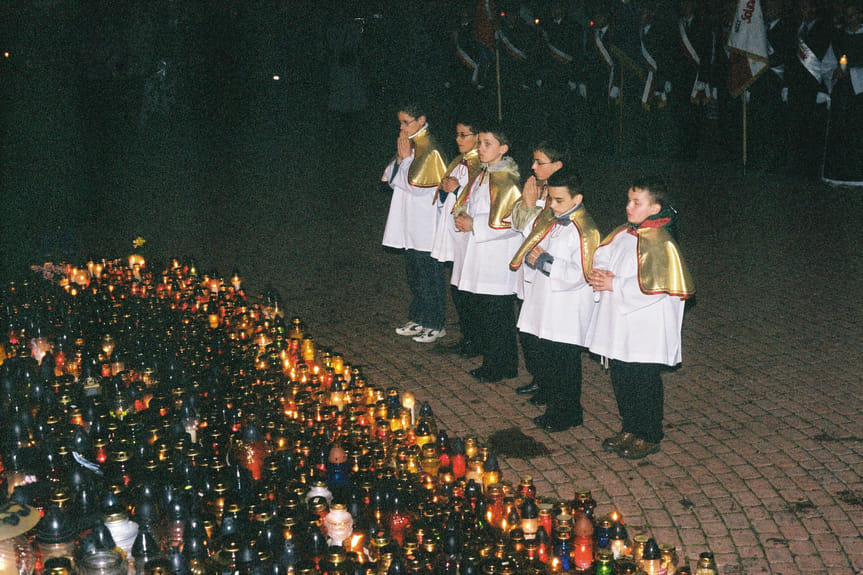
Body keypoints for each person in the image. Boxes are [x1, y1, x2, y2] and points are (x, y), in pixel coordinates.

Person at [587, 179, 695, 459]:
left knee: (643, 381)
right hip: (620, 324)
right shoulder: (625, 233)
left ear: (655, 208)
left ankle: (649, 434)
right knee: (622, 377)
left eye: (637, 203)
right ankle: (629, 427)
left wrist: (616, 285)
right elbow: (604, 253)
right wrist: (600, 272)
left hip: (645, 328)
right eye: (628, 200)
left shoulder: (661, 242)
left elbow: (654, 289)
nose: (628, 207)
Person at [509, 168, 601, 432]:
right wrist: (532, 256)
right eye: (550, 199)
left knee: (565, 363)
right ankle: (554, 404)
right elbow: (533, 242)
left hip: (568, 307)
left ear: (577, 199)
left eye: (559, 200)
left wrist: (546, 262)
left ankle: (568, 412)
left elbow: (581, 273)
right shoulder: (552, 219)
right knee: (548, 356)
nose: (552, 205)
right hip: (545, 300)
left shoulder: (584, 230)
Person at [451, 122, 523, 383]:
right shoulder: (483, 174)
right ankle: (495, 361)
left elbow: (512, 222)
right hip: (480, 253)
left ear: (503, 149)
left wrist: (475, 224)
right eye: (479, 142)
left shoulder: (507, 180)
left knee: (497, 314)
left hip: (496, 257)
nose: (480, 148)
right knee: (486, 311)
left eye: (487, 144)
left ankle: (502, 364)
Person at [382, 104, 449, 343]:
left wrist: (404, 160)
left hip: (426, 223)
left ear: (421, 120)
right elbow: (390, 178)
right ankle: (419, 317)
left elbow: (417, 186)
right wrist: (401, 160)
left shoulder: (430, 149)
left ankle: (435, 322)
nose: (402, 127)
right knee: (415, 274)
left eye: (406, 122)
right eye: (400, 122)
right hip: (409, 222)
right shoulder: (411, 143)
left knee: (429, 275)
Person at [510, 140, 566, 404]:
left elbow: (540, 234)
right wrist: (527, 204)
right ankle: (538, 378)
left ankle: (549, 384)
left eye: (539, 162)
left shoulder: (561, 196)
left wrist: (531, 206)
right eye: (533, 161)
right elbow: (517, 226)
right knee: (528, 332)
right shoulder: (537, 188)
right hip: (529, 270)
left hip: (545, 275)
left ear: (557, 166)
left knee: (543, 336)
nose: (532, 167)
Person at [431, 117, 482, 356]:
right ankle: (468, 336)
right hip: (452, 232)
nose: (458, 139)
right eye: (457, 134)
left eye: (464, 135)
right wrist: (444, 191)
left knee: (468, 293)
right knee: (457, 289)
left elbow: (477, 200)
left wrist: (458, 189)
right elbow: (444, 197)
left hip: (468, 236)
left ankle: (476, 340)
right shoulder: (458, 162)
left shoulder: (479, 165)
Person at [821, 0, 863, 186]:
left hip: (860, 95)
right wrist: (834, 73)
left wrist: (853, 72)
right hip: (842, 94)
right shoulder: (838, 38)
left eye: (854, 15)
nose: (850, 19)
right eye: (847, 15)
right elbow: (827, 64)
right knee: (839, 134)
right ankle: (838, 174)